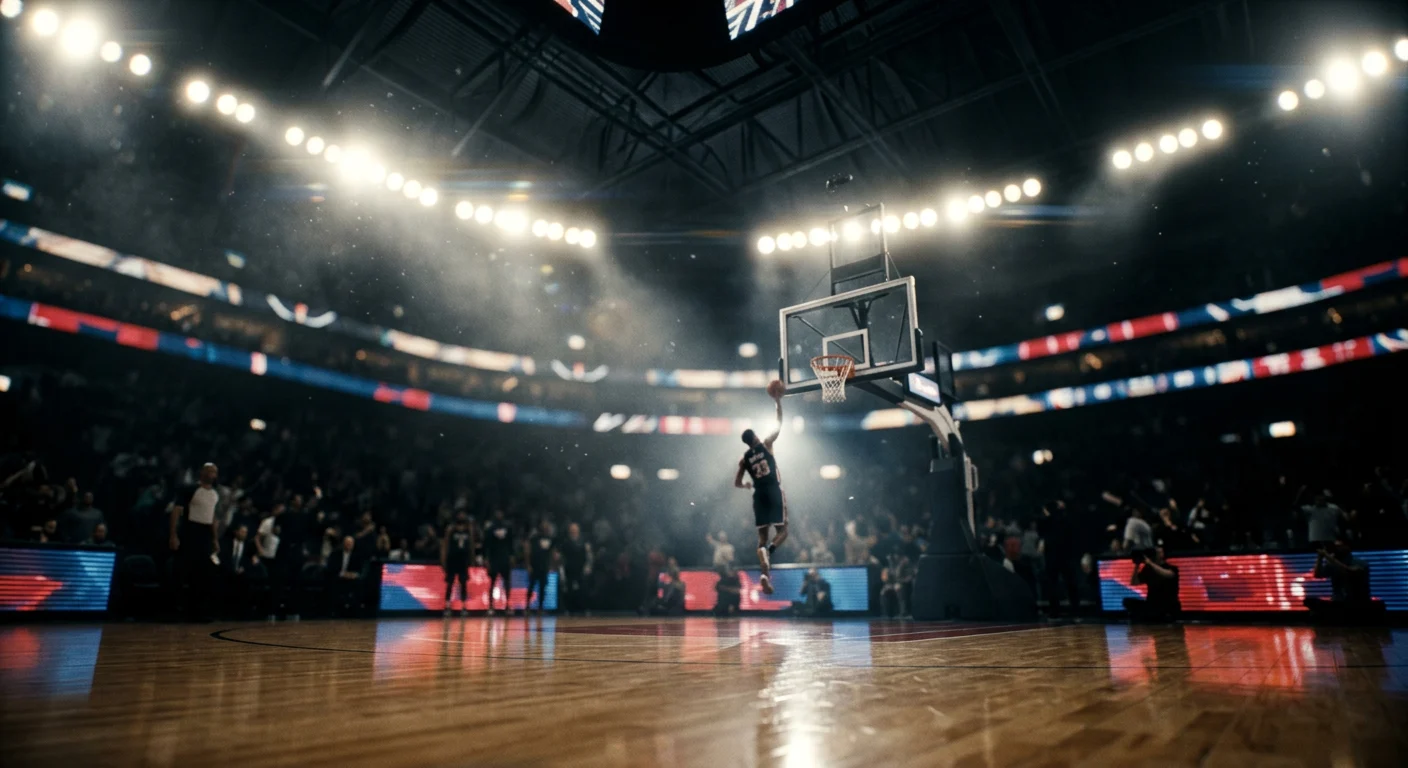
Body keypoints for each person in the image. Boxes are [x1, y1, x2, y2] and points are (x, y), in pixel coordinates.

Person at [734, 389, 787, 595]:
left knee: (761, 539)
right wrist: (777, 402)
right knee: (783, 531)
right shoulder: (766, 444)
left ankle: (764, 574)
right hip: (773, 490)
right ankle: (770, 552)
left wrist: (747, 485)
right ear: (755, 436)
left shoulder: (744, 459)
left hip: (758, 496)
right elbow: (779, 424)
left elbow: (737, 482)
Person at [169, 463, 222, 621]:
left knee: (202, 574)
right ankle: (176, 609)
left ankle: (198, 611)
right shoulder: (190, 489)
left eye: (215, 472)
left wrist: (215, 539)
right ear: (202, 472)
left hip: (205, 534)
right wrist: (173, 535)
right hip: (189, 531)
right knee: (182, 570)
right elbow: (176, 511)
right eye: (210, 471)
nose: (212, 474)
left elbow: (212, 517)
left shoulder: (215, 494)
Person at [1304, 540, 1385, 623]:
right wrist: (1320, 558)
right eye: (1335, 547)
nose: (1336, 549)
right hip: (1338, 603)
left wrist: (1327, 556)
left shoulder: (1361, 563)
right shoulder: (1332, 564)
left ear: (1348, 547)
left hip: (1358, 605)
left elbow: (1348, 571)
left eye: (1339, 546)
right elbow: (1318, 575)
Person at [1123, 545, 1180, 622]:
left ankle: (1157, 617)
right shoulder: (1148, 569)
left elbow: (1167, 574)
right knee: (1127, 602)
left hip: (1167, 604)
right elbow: (1134, 582)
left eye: (1159, 552)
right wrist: (1137, 565)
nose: (1157, 554)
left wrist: (1150, 563)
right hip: (1152, 604)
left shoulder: (1172, 568)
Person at [441, 514, 473, 617]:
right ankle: (447, 606)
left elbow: (471, 545)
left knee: (463, 583)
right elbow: (445, 544)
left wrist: (471, 558)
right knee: (450, 583)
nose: (462, 516)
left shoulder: (468, 530)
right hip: (452, 560)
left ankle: (463, 606)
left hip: (463, 560)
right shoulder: (451, 529)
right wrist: (443, 560)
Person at [483, 510, 514, 614]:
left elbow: (511, 543)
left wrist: (512, 556)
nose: (499, 515)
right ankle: (491, 606)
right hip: (494, 559)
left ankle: (507, 605)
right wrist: (486, 558)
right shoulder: (490, 528)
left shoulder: (508, 527)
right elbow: (486, 544)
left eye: (501, 513)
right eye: (497, 513)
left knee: (507, 583)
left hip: (505, 558)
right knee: (492, 582)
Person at [559, 522, 592, 615]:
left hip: (581, 568)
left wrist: (588, 565)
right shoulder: (565, 542)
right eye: (572, 530)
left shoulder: (584, 542)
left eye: (575, 529)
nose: (573, 531)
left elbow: (589, 555)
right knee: (569, 589)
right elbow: (561, 557)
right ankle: (569, 609)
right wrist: (561, 570)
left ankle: (584, 608)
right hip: (569, 569)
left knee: (583, 589)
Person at [525, 520, 555, 614]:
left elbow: (552, 553)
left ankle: (540, 608)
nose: (545, 528)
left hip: (544, 567)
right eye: (543, 526)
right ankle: (527, 607)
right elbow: (528, 551)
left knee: (543, 587)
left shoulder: (550, 539)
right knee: (531, 586)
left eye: (547, 526)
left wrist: (551, 565)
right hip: (534, 566)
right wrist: (528, 565)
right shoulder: (534, 538)